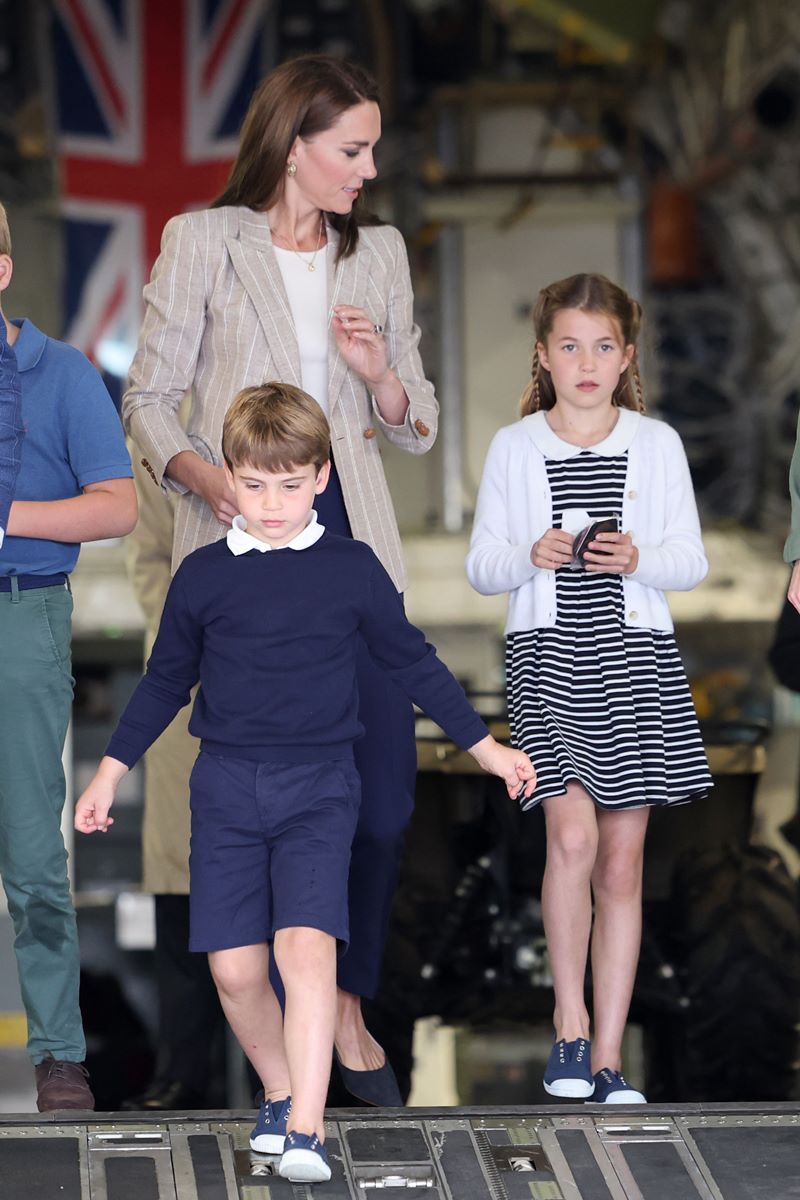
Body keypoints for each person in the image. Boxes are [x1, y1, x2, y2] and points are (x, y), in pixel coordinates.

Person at [75, 382, 536, 1183]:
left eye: (291, 484)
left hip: (322, 785)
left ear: (323, 476)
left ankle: (309, 1132)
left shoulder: (354, 571)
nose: (274, 501)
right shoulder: (202, 577)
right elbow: (161, 684)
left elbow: (412, 660)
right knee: (236, 971)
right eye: (255, 484)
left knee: (305, 951)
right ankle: (283, 1092)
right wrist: (109, 774)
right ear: (229, 475)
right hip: (223, 789)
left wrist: (486, 748)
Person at [121, 53, 437, 1106]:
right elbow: (151, 398)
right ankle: (298, 1047)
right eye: (351, 149)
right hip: (242, 542)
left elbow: (417, 419)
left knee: (384, 802)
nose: (368, 167)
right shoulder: (204, 242)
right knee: (272, 792)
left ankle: (346, 997)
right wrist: (213, 486)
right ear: (293, 146)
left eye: (372, 148)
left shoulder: (379, 252)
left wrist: (378, 378)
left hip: (352, 538)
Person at [466, 273, 711, 1105]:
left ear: (626, 357)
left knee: (621, 861)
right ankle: (568, 1029)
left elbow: (691, 560)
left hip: (636, 661)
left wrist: (638, 559)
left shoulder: (656, 443)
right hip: (548, 659)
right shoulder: (514, 446)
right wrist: (528, 555)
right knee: (569, 841)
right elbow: (481, 567)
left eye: (603, 347)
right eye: (569, 345)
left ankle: (609, 1062)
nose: (586, 362)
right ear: (543, 355)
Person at [0, 200, 137, 1110]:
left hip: (23, 615)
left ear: (3, 268)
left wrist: (5, 519)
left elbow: (118, 505)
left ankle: (58, 1055)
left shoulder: (64, 375)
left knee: (32, 858)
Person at [122, 450, 225, 1110]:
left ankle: (316, 1071)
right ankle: (184, 1069)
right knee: (182, 880)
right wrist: (197, 635)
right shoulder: (158, 439)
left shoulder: (291, 409)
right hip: (186, 677)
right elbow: (148, 561)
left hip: (289, 668)